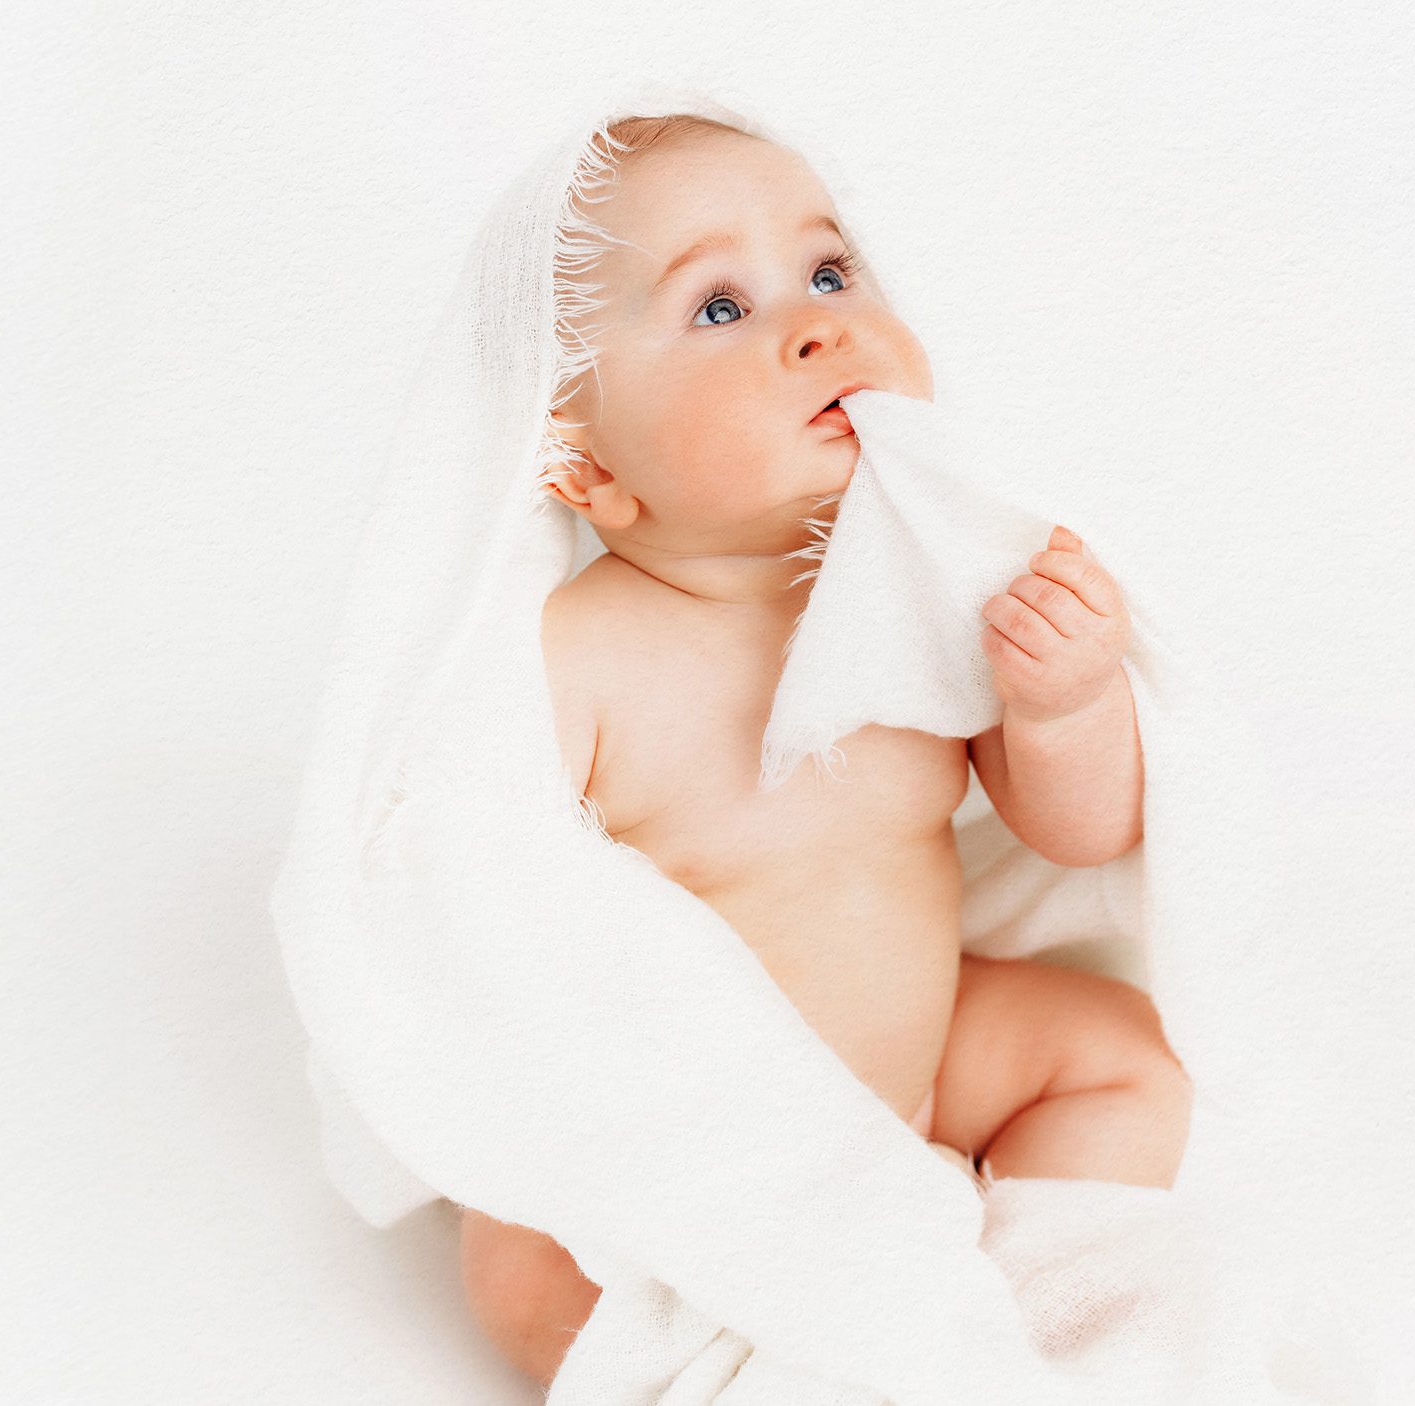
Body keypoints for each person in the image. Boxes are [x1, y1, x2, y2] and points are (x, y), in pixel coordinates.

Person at [455, 110, 1192, 1391]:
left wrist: (1060, 702)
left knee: (1118, 1052)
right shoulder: (574, 659)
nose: (813, 323)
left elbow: (1076, 831)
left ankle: (1020, 1309)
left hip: (906, 1089)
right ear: (584, 466)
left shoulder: (927, 589)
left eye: (830, 272)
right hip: (675, 1161)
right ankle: (728, 1354)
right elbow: (471, 908)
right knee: (529, 1267)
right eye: (718, 307)